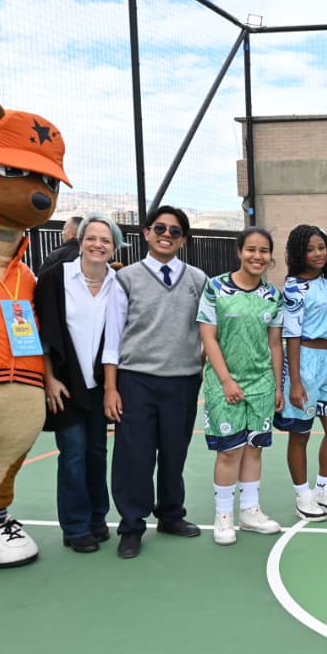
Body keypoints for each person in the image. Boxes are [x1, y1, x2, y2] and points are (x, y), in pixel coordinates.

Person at [103, 205, 208, 559]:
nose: (166, 235)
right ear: (146, 233)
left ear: (184, 239)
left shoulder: (197, 279)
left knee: (174, 451)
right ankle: (131, 525)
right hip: (137, 381)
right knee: (135, 454)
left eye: (175, 231)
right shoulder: (126, 278)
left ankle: (170, 514)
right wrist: (111, 387)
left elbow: (208, 331)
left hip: (182, 380)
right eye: (159, 228)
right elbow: (113, 337)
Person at [35, 214, 123, 553]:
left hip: (99, 383)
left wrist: (112, 387)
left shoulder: (117, 283)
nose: (98, 244)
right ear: (80, 241)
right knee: (73, 453)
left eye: (105, 240)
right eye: (92, 238)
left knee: (97, 452)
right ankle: (74, 526)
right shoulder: (56, 278)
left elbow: (114, 338)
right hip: (65, 383)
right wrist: (49, 379)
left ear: (114, 246)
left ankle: (97, 518)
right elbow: (42, 332)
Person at [197, 226, 287, 545]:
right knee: (229, 451)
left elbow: (275, 344)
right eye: (251, 249)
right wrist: (226, 380)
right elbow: (208, 336)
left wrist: (277, 386)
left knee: (254, 448)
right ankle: (224, 515)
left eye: (263, 251)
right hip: (226, 383)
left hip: (261, 384)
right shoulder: (216, 288)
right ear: (239, 251)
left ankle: (250, 511)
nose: (257, 256)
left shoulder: (273, 296)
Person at [275, 224, 327, 521]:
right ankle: (303, 495)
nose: (317, 253)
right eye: (310, 249)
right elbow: (291, 336)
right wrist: (295, 381)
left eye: (322, 247)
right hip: (303, 360)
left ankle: (324, 488)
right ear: (298, 253)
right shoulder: (294, 287)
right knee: (300, 434)